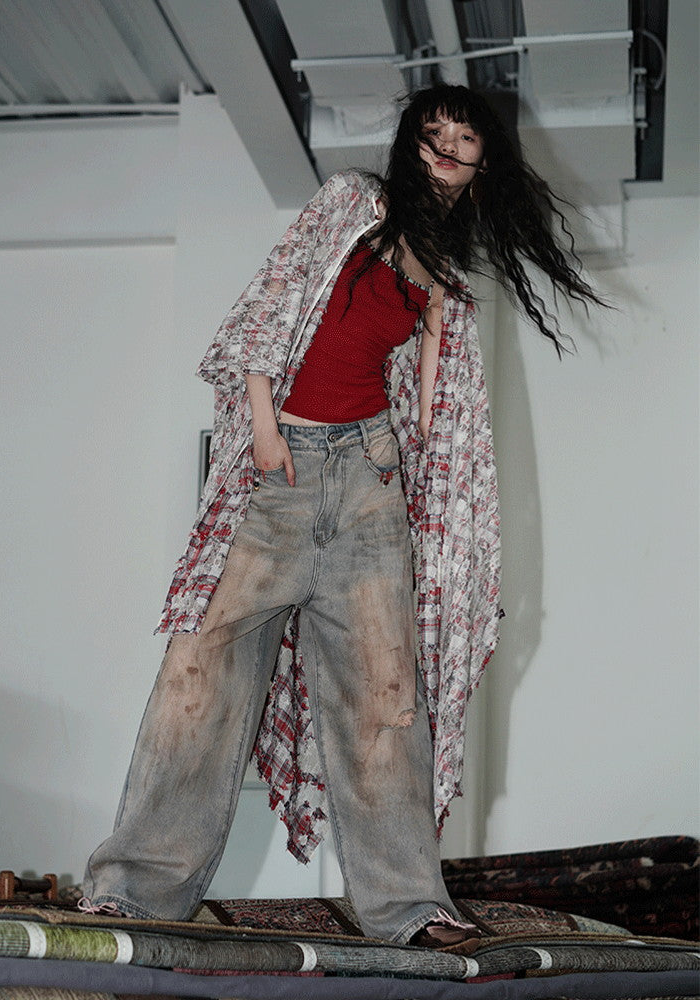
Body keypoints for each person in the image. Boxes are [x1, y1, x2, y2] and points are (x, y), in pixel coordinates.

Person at [81, 84, 603, 951]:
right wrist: (262, 428)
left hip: (368, 482)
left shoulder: (445, 272)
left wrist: (435, 460)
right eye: (433, 131)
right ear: (409, 141)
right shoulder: (352, 201)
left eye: (464, 138)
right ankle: (131, 894)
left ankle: (409, 911)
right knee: (197, 676)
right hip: (281, 473)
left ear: (482, 163)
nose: (446, 147)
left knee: (385, 701)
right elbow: (270, 303)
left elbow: (434, 409)